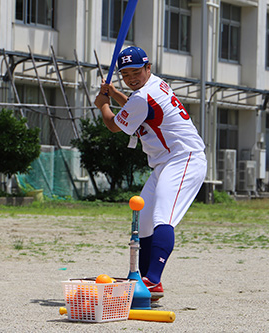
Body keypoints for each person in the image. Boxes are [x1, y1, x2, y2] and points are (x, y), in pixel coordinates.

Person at [94, 46, 207, 302]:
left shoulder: (142, 96)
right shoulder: (153, 87)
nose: (132, 78)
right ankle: (142, 280)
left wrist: (103, 104)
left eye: (136, 72)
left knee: (161, 217)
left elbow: (114, 125)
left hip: (183, 159)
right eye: (126, 74)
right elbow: (138, 108)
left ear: (148, 68)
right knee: (143, 220)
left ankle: (152, 281)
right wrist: (115, 94)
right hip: (166, 163)